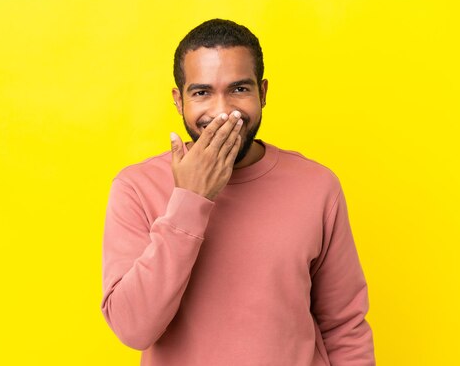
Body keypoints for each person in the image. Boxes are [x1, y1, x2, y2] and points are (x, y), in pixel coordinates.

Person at [101, 18, 374, 365]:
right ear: (178, 100)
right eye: (201, 92)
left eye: (239, 89)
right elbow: (133, 328)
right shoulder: (135, 188)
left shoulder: (318, 186)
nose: (221, 111)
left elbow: (344, 326)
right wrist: (190, 200)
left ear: (262, 92)